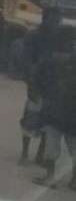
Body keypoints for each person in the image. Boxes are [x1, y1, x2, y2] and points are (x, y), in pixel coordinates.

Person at [32, 23, 76, 190]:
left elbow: (37, 79)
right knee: (74, 147)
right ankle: (74, 181)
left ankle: (50, 177)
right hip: (73, 113)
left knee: (52, 147)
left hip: (54, 111)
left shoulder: (50, 58)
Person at [19, 6, 62, 165]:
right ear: (45, 19)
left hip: (54, 87)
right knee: (30, 119)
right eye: (54, 19)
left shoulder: (60, 39)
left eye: (58, 19)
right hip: (37, 84)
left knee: (48, 122)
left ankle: (39, 155)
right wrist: (30, 83)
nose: (57, 22)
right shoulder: (33, 36)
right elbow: (26, 61)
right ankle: (24, 153)